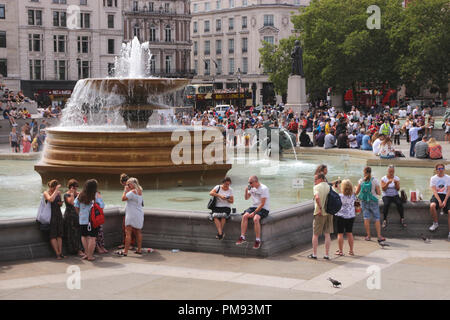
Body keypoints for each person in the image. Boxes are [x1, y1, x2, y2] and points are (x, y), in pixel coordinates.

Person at [236, 176, 270, 249]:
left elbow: (262, 203)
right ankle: (242, 237)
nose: (249, 184)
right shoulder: (251, 187)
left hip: (263, 208)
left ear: (256, 182)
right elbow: (246, 198)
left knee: (255, 219)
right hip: (254, 206)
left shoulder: (264, 188)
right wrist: (246, 190)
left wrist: (254, 213)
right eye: (249, 182)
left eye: (251, 182)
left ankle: (257, 240)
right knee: (244, 216)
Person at [74, 179, 105, 261]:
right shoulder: (95, 195)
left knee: (84, 237)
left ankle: (86, 254)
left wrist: (80, 214)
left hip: (82, 219)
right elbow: (101, 206)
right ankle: (90, 256)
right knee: (92, 238)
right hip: (92, 220)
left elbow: (75, 205)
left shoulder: (80, 194)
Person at [356, 167, 385, 242]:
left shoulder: (361, 181)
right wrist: (374, 190)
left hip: (364, 201)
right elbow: (379, 193)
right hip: (373, 201)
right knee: (377, 218)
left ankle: (368, 236)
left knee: (366, 217)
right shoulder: (375, 180)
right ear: (371, 172)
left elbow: (356, 192)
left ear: (364, 172)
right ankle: (379, 236)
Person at [308, 173, 333, 260]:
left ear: (321, 179)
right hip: (328, 213)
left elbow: (317, 197)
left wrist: (319, 208)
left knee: (315, 234)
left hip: (319, 213)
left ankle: (314, 254)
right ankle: (327, 254)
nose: (314, 181)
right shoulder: (329, 186)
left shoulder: (316, 187)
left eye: (316, 179)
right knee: (327, 234)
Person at [117, 178, 144, 256]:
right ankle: (139, 249)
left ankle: (125, 251)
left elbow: (123, 198)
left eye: (128, 184)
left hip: (131, 214)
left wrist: (125, 191)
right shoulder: (140, 191)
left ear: (133, 184)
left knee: (128, 232)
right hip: (139, 213)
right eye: (126, 184)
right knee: (138, 232)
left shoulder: (132, 192)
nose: (127, 185)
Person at [43, 180, 65, 259]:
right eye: (54, 188)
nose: (55, 190)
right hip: (51, 216)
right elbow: (51, 199)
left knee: (59, 235)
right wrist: (56, 191)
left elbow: (59, 203)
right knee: (53, 236)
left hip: (58, 215)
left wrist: (60, 203)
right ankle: (57, 254)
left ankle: (61, 252)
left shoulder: (58, 193)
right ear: (51, 187)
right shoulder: (46, 193)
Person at [63, 179, 84, 257]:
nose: (76, 189)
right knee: (71, 233)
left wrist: (79, 194)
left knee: (77, 233)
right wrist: (72, 193)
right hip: (69, 216)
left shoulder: (77, 194)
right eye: (75, 188)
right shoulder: (66, 195)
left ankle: (79, 249)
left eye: (77, 188)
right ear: (71, 187)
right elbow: (71, 202)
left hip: (76, 215)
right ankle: (75, 250)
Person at [428, 164, 450, 240]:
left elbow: (449, 190)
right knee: (432, 206)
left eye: (442, 168)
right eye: (439, 168)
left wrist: (445, 200)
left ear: (444, 169)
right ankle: (435, 223)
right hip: (437, 195)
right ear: (436, 170)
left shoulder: (448, 178)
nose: (440, 170)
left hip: (446, 196)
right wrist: (440, 201)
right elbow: (434, 191)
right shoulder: (433, 178)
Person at [335, 179, 356, 256]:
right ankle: (351, 251)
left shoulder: (340, 196)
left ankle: (340, 251)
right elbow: (347, 194)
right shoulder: (353, 195)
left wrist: (337, 189)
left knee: (340, 234)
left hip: (341, 216)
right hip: (350, 216)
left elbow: (342, 195)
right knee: (349, 233)